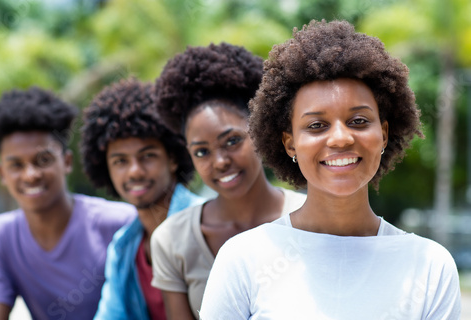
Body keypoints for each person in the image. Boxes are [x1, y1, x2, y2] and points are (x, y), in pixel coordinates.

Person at [200, 20, 461, 319]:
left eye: (359, 121)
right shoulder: (243, 258)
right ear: (290, 144)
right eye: (316, 125)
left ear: (384, 134)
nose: (340, 138)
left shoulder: (429, 265)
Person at [150, 42, 307, 319]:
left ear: (259, 132)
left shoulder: (313, 219)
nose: (220, 161)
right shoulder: (173, 240)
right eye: (202, 152)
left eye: (232, 141)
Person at [0, 87, 136, 320]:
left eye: (43, 160)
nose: (31, 175)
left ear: (67, 161)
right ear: (2, 173)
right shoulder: (0, 234)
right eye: (16, 165)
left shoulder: (118, 222)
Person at [80, 77, 204, 320]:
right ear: (106, 169)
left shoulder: (207, 223)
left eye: (147, 156)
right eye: (120, 161)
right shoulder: (124, 245)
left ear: (173, 158)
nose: (134, 171)